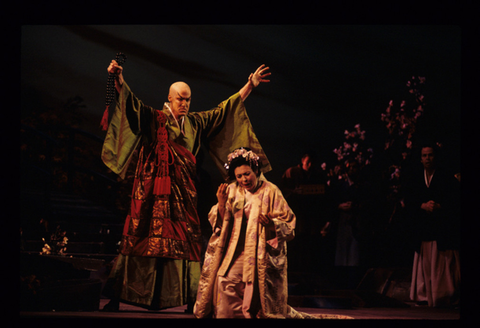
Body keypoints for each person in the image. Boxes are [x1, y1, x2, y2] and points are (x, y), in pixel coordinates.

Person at [100, 60, 272, 311]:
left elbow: (224, 110)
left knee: (186, 240)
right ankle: (118, 295)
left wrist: (250, 85)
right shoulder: (154, 118)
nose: (184, 104)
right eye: (180, 99)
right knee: (141, 238)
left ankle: (191, 298)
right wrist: (118, 80)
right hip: (151, 194)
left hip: (183, 196)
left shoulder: (195, 123)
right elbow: (131, 104)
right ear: (169, 99)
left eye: (188, 100)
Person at [193, 148, 352, 319]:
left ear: (256, 170)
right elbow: (218, 221)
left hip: (259, 252)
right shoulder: (232, 190)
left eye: (247, 174)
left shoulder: (271, 191)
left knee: (253, 285)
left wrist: (271, 225)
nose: (243, 179)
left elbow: (289, 221)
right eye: (239, 176)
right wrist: (222, 204)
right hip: (235, 250)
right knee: (224, 280)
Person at [404, 143, 460, 308]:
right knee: (424, 262)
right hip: (423, 229)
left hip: (441, 229)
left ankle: (443, 296)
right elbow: (409, 199)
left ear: (435, 157)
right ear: (420, 159)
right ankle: (424, 296)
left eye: (430, 155)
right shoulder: (416, 177)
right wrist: (422, 205)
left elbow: (456, 200)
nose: (427, 159)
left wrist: (439, 206)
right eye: (424, 156)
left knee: (440, 263)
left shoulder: (446, 177)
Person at [280, 152, 332, 274]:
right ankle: (293, 272)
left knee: (310, 244)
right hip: (296, 214)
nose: (309, 165)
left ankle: (309, 273)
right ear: (302, 160)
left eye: (311, 163)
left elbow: (325, 195)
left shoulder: (318, 175)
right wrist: (293, 192)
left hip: (311, 216)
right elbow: (281, 190)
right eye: (307, 162)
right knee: (295, 243)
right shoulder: (291, 172)